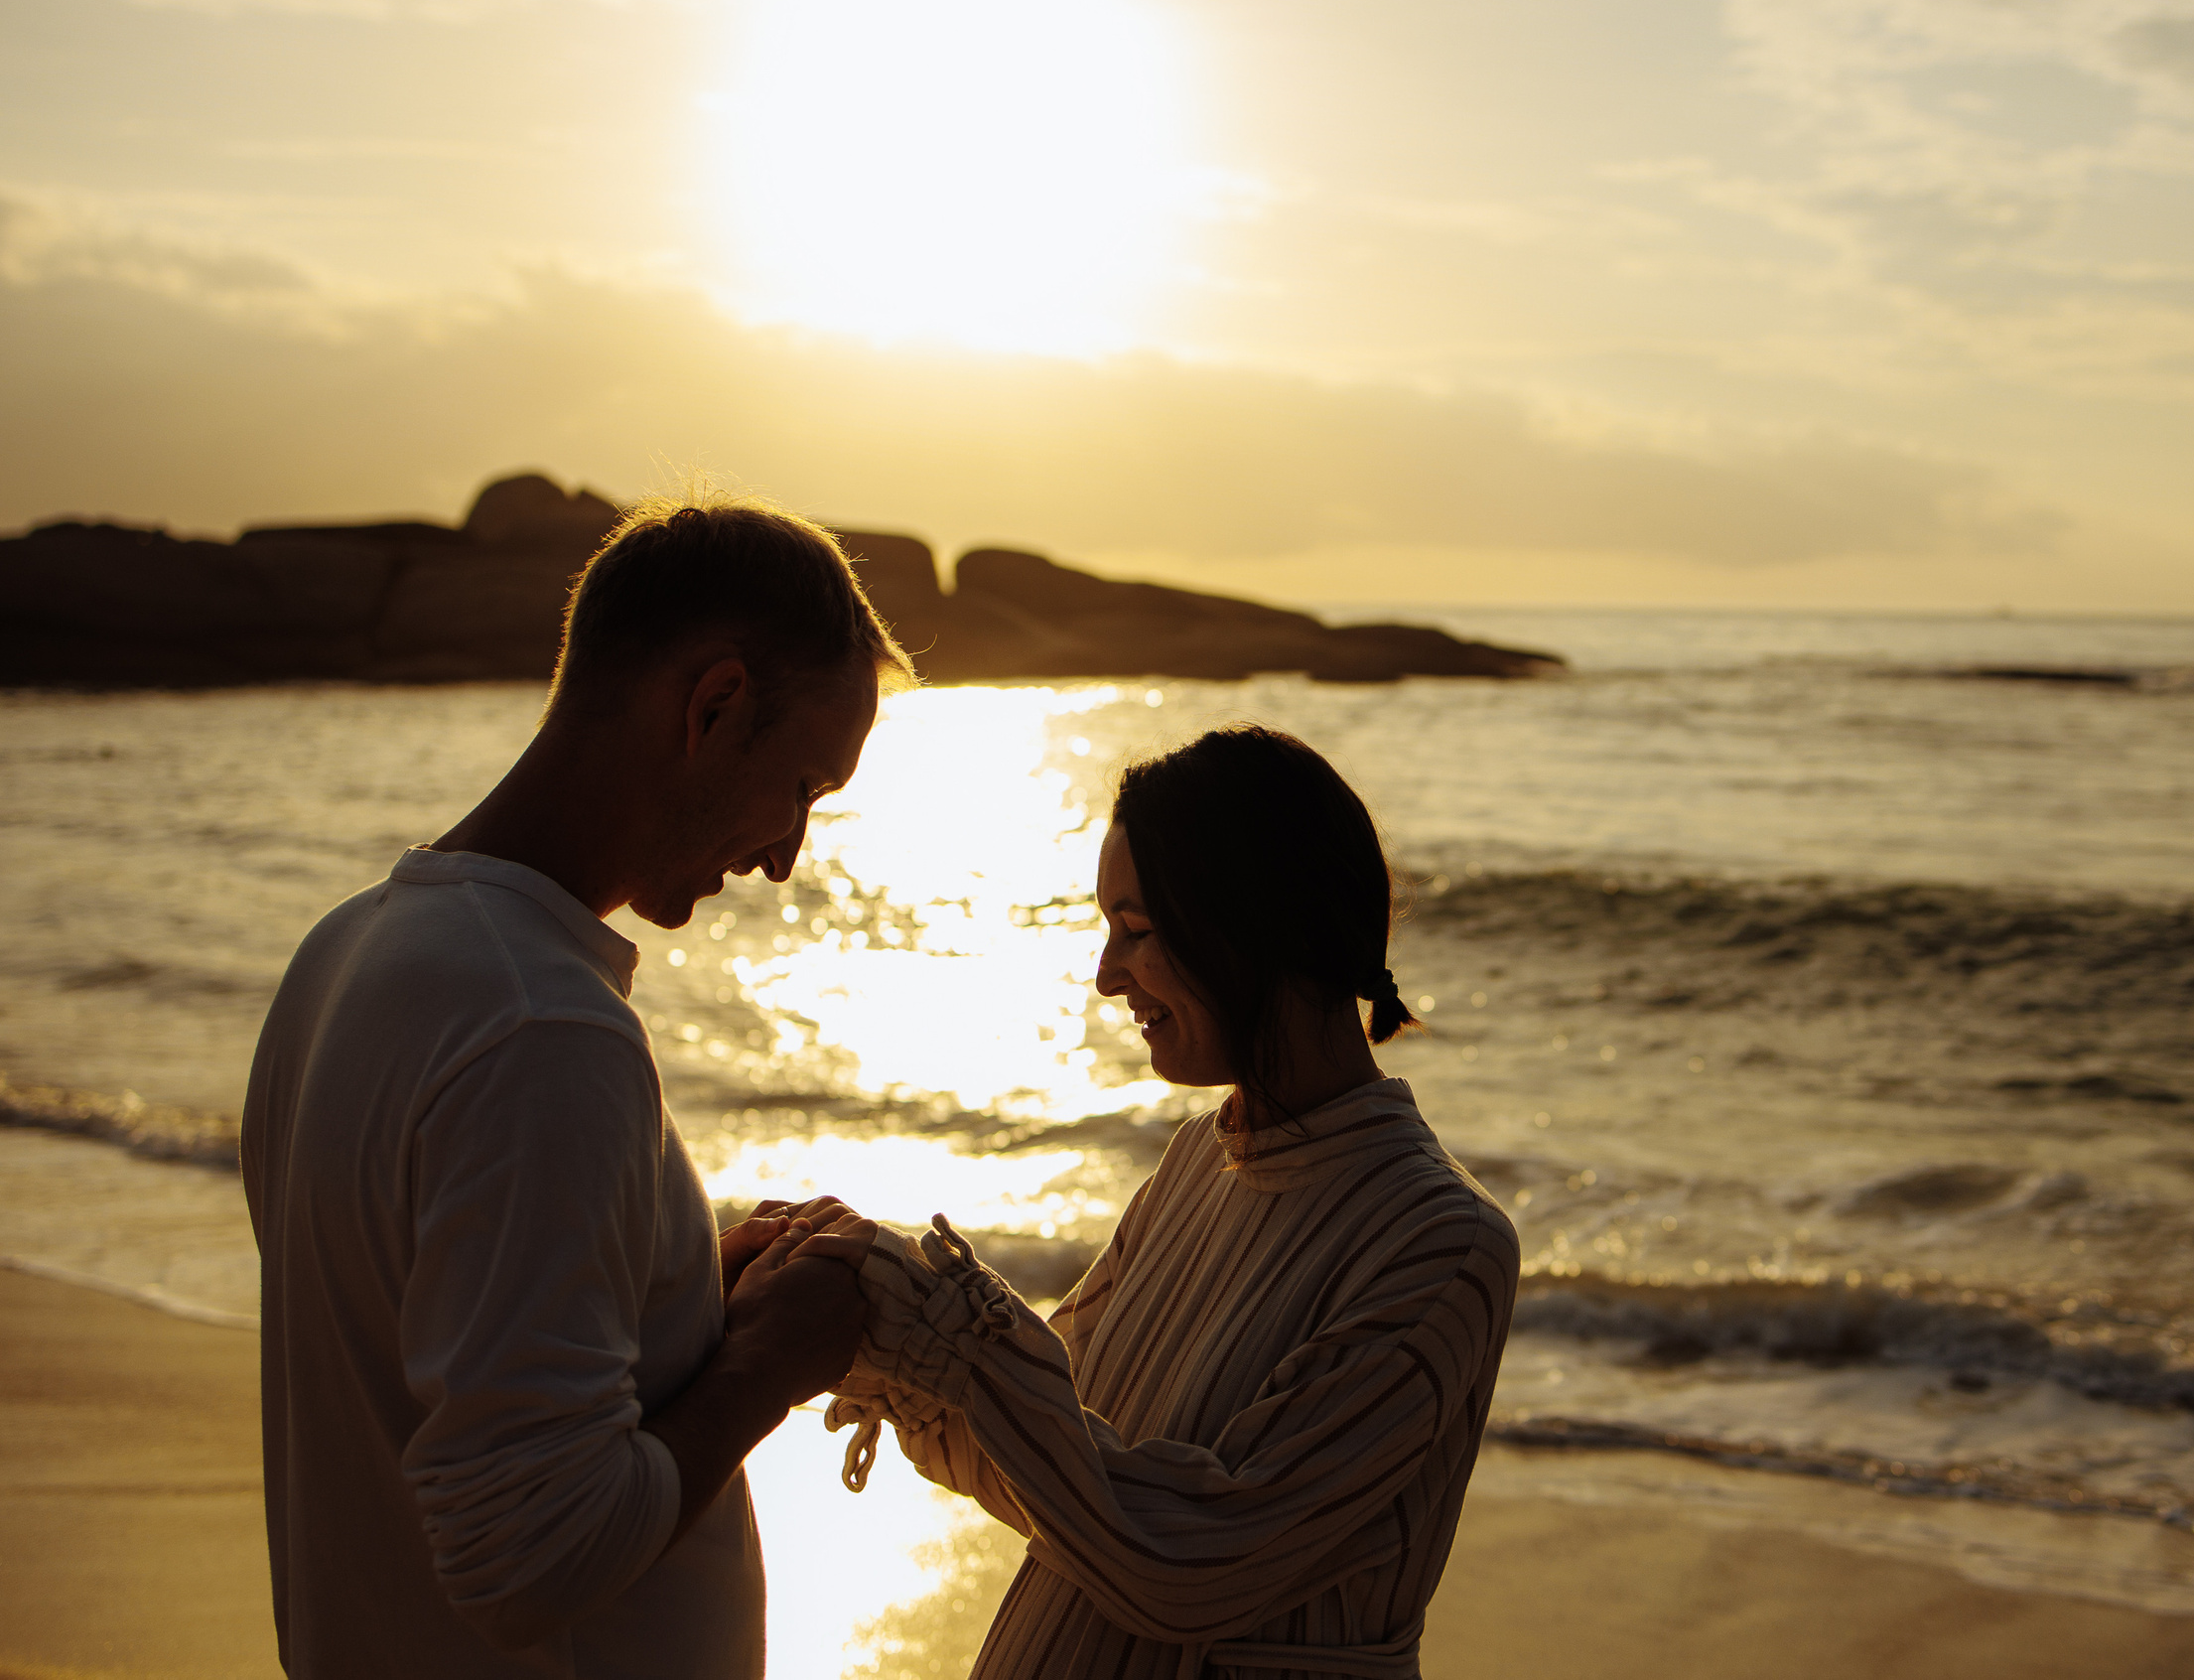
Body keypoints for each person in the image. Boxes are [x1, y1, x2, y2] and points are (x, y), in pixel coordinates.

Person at [240, 492, 910, 1677]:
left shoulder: (345, 955)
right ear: (714, 707)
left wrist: (691, 1307)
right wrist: (768, 1362)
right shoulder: (540, 1028)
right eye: (804, 787)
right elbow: (527, 1557)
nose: (784, 858)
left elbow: (432, 1349)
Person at [797, 723, 1519, 1680]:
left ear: (1258, 922)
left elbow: (1191, 1563)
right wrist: (872, 1324)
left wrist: (944, 1335)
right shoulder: (1193, 1162)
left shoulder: (1443, 1245)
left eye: (1136, 930)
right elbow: (1049, 1460)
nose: (1105, 976)